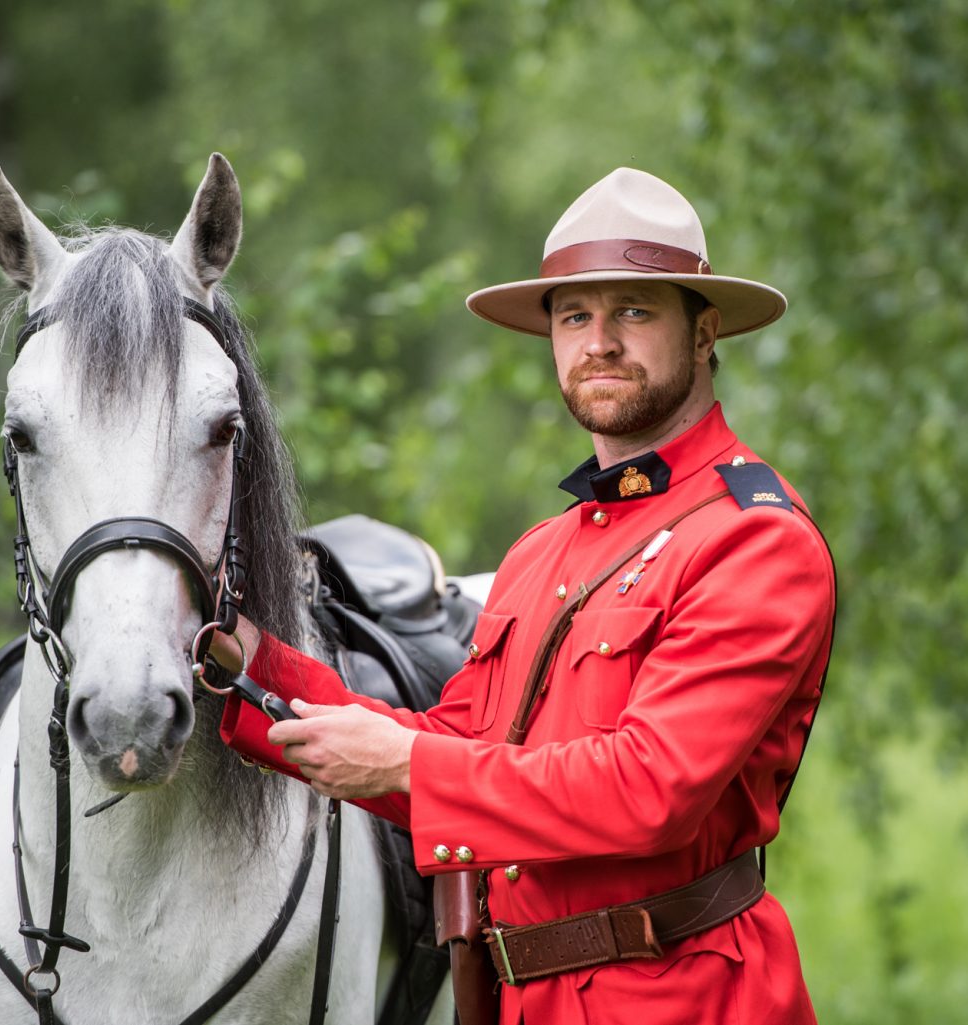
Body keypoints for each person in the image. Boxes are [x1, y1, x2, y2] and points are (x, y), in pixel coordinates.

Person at [213, 167, 836, 1024]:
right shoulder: (544, 552)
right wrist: (248, 660)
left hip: (684, 998)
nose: (600, 340)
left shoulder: (752, 538)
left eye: (635, 310)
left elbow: (648, 789)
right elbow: (458, 752)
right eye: (575, 315)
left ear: (704, 331)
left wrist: (407, 762)